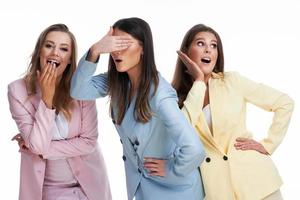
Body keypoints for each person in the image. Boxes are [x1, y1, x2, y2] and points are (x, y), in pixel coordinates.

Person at [70, 17, 205, 200]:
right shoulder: (118, 82)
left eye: (124, 44)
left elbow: (194, 149)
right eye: (113, 44)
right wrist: (95, 50)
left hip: (176, 190)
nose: (116, 51)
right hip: (144, 187)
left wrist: (171, 169)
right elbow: (78, 90)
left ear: (142, 49)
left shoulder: (160, 95)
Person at [172, 24, 294, 200]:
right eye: (200, 44)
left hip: (256, 181)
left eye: (213, 46)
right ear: (186, 52)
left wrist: (269, 144)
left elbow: (284, 102)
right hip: (217, 190)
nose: (208, 50)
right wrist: (198, 81)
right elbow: (179, 134)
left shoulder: (232, 81)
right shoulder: (175, 98)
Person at [8, 24, 111, 200]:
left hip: (89, 186)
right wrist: (47, 102)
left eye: (64, 49)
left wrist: (36, 146)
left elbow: (88, 142)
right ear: (39, 52)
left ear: (70, 59)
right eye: (49, 45)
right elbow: (38, 146)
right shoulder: (17, 90)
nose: (55, 53)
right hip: (46, 188)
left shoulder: (80, 88)